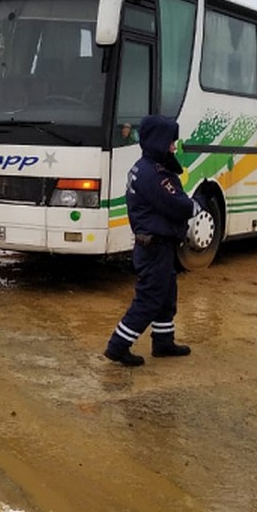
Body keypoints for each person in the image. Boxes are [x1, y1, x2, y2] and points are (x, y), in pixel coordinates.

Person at [104, 115, 196, 367]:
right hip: (154, 245)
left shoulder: (143, 166)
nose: (174, 147)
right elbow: (179, 205)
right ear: (158, 141)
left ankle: (163, 342)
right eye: (170, 142)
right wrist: (194, 206)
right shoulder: (153, 174)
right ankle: (118, 346)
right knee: (150, 298)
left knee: (166, 295)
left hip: (157, 244)